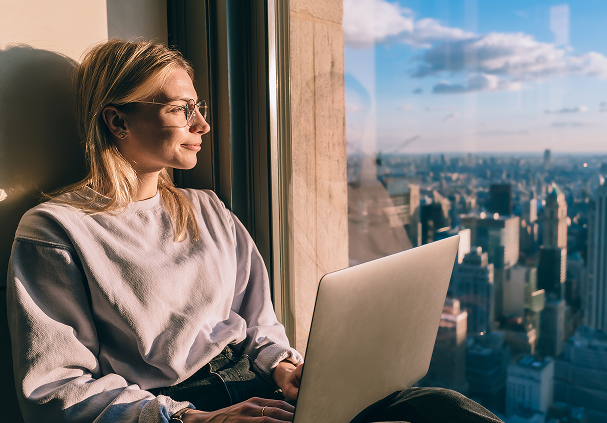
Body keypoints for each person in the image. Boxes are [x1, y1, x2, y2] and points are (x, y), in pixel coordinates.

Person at [7, 40, 503, 423]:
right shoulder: (56, 230)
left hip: (257, 387)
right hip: (175, 406)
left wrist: (284, 366)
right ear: (117, 120)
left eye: (198, 107)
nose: (202, 124)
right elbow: (56, 389)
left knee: (439, 405)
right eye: (183, 110)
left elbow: (258, 324)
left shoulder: (207, 210)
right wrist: (193, 418)